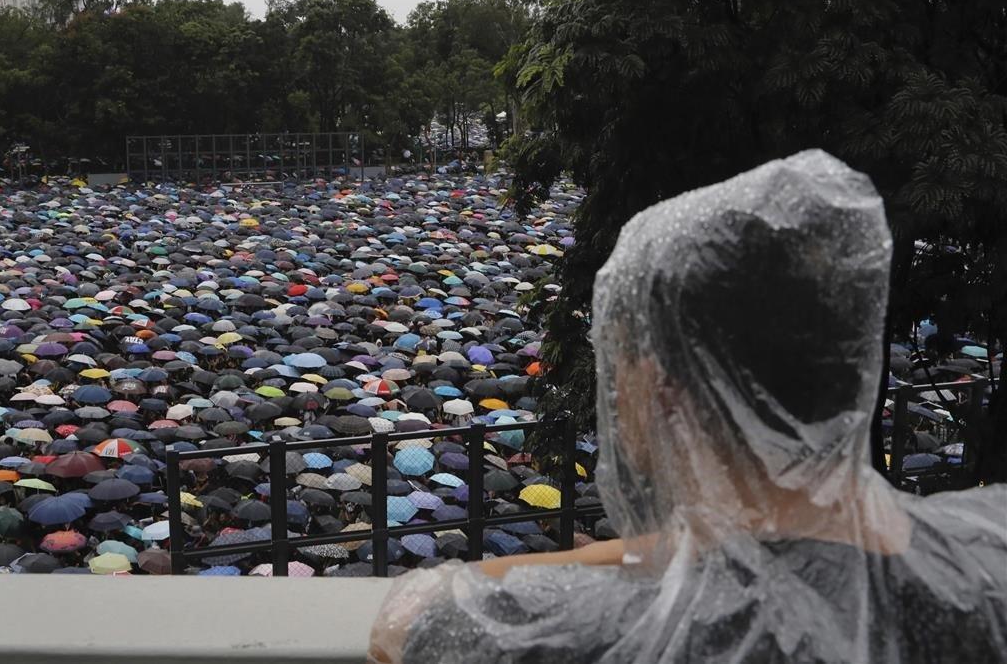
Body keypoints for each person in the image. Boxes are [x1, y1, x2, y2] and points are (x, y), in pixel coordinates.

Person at [368, 150, 1007, 663]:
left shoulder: (554, 636)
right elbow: (771, 549)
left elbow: (414, 626)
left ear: (664, 387)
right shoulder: (981, 556)